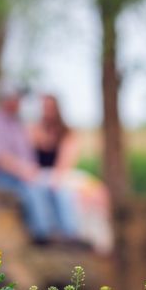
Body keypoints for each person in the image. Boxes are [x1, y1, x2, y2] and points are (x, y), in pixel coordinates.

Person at [0, 87, 78, 243]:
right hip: (1, 177)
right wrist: (24, 170)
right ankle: (43, 234)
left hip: (27, 174)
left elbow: (30, 157)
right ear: (7, 100)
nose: (20, 102)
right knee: (33, 187)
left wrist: (31, 170)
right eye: (17, 99)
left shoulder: (17, 124)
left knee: (55, 188)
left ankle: (68, 233)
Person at [29, 94, 113, 253]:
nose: (47, 111)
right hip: (41, 175)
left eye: (50, 107)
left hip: (60, 174)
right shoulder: (34, 131)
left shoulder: (67, 133)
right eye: (44, 107)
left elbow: (65, 163)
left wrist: (56, 178)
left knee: (96, 192)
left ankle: (93, 239)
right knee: (62, 192)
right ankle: (68, 231)